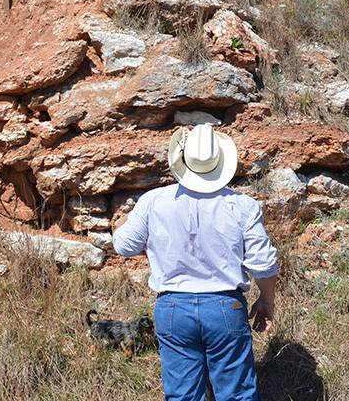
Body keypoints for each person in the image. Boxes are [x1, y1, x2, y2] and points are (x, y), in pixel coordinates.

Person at [113, 123, 278, 401]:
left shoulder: (153, 201)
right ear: (220, 162)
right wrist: (267, 301)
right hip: (225, 306)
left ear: (182, 160)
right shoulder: (242, 206)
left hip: (174, 307)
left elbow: (124, 245)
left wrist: (122, 226)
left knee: (182, 396)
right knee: (237, 395)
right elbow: (263, 263)